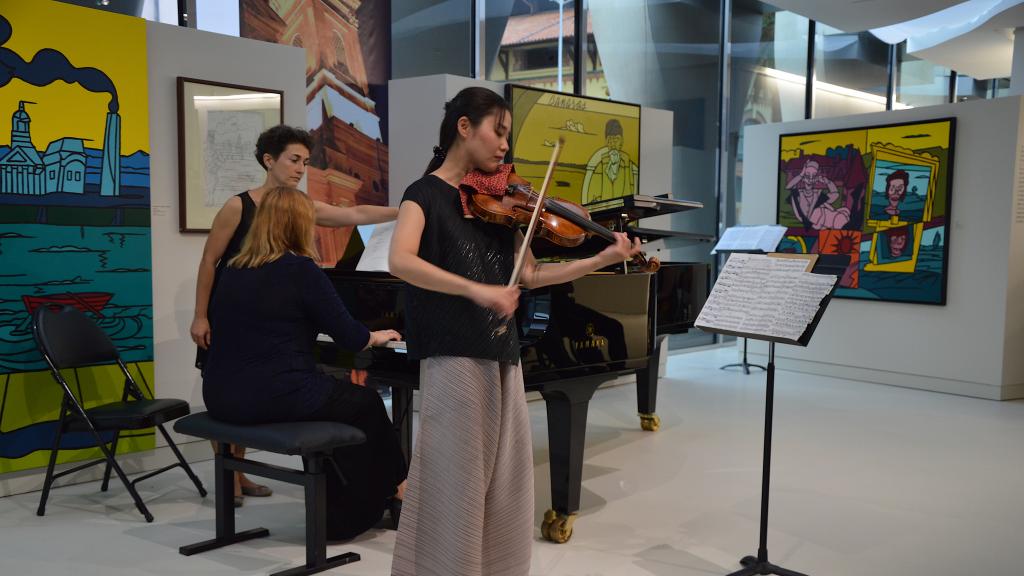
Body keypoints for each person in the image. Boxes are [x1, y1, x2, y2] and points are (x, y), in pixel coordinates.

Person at [388, 87, 641, 576]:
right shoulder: (424, 195)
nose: (505, 145)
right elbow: (401, 260)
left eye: (508, 135)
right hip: (454, 355)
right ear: (464, 127)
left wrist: (602, 257)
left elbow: (532, 276)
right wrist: (477, 291)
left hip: (502, 354)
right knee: (456, 482)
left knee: (505, 481)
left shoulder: (501, 202)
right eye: (497, 131)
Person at [190, 125, 398, 506]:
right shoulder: (240, 206)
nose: (301, 168)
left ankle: (241, 475)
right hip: (239, 316)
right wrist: (200, 315)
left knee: (247, 383)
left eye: (305, 161)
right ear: (269, 160)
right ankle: (233, 476)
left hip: (262, 313)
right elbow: (208, 261)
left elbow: (354, 212)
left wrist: (406, 210)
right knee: (246, 380)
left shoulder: (297, 206)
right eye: (294, 159)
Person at [581, 118, 637, 204]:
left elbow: (632, 195)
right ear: (606, 141)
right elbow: (592, 195)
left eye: (616, 139)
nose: (613, 143)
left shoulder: (629, 167)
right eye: (610, 139)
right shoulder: (599, 166)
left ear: (622, 141)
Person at [786, 159, 850, 230]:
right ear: (803, 177)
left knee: (841, 218)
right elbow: (788, 187)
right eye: (807, 175)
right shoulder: (798, 194)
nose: (810, 178)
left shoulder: (818, 194)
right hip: (819, 219)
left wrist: (827, 182)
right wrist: (801, 174)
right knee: (838, 219)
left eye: (813, 175)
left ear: (816, 178)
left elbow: (835, 194)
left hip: (829, 217)